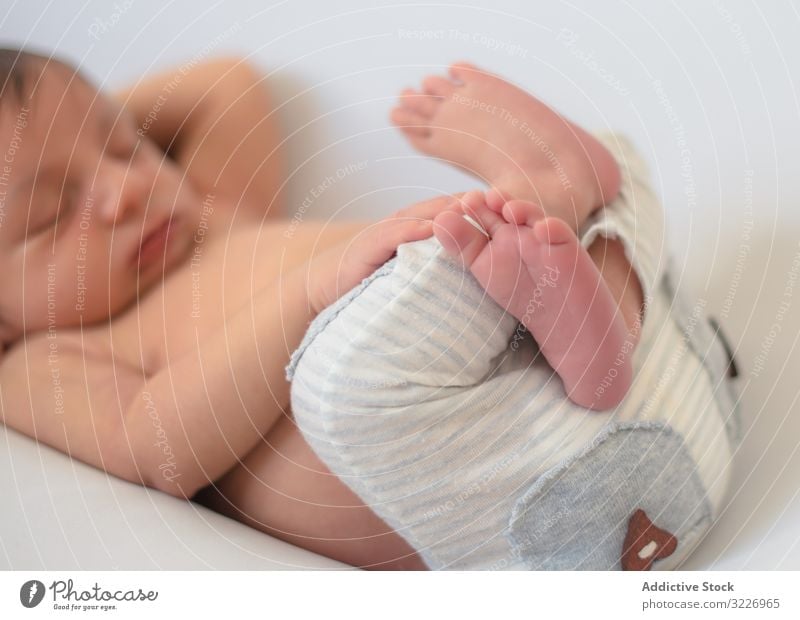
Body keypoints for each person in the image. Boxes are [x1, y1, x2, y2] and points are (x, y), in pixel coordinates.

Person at [0, 50, 660, 569]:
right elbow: (151, 449)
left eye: (124, 144)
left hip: (507, 353)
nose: (126, 190)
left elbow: (225, 82)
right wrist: (310, 295)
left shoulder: (207, 211)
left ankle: (575, 316)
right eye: (52, 213)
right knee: (450, 275)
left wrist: (48, 121)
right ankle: (548, 195)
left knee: (532, 246)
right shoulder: (35, 361)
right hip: (415, 446)